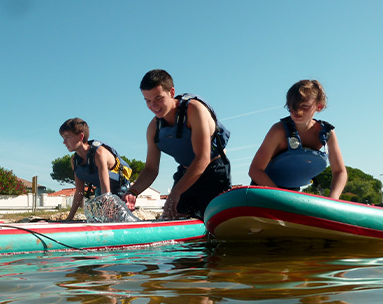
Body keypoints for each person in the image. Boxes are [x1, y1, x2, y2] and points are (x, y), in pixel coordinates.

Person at [123, 69, 231, 220]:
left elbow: (203, 158)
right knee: (172, 218)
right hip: (185, 174)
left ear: (171, 92)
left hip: (213, 172)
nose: (153, 106)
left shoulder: (195, 110)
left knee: (212, 222)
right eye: (148, 101)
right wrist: (133, 192)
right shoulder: (153, 128)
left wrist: (176, 192)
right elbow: (150, 169)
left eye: (158, 98)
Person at [249, 80, 347, 199]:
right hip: (265, 191)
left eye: (304, 107)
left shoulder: (327, 133)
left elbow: (340, 172)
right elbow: (255, 170)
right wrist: (279, 197)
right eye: (292, 107)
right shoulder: (279, 131)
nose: (297, 112)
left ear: (319, 106)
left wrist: (333, 199)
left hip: (293, 192)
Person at [59, 117, 132, 221]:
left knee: (119, 219)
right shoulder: (75, 160)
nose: (64, 142)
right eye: (63, 137)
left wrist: (108, 216)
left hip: (121, 189)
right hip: (101, 191)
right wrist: (69, 218)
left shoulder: (99, 153)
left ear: (80, 137)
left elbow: (106, 193)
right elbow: (79, 192)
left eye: (67, 137)